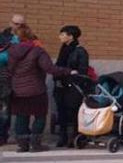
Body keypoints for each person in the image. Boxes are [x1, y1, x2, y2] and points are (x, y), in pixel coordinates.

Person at [7, 25, 72, 152]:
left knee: (21, 117)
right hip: (36, 90)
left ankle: (23, 145)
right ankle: (35, 145)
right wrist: (68, 71)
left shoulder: (11, 51)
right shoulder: (38, 51)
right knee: (40, 116)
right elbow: (50, 69)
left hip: (18, 90)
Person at [52, 25, 90, 148]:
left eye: (63, 34)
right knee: (61, 111)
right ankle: (62, 136)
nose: (60, 37)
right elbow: (57, 66)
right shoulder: (63, 49)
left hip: (73, 87)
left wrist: (69, 74)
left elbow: (82, 71)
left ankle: (74, 137)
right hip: (60, 85)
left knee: (73, 112)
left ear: (71, 36)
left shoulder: (80, 51)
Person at [0, 14, 25, 145]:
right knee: (4, 108)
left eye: (20, 24)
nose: (17, 26)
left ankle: (11, 135)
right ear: (10, 22)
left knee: (9, 109)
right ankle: (2, 136)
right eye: (15, 23)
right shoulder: (3, 36)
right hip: (4, 76)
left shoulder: (26, 37)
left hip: (17, 77)